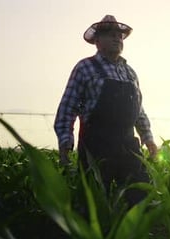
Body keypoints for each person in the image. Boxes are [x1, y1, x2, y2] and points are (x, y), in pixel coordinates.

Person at [54, 15, 158, 207]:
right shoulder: (85, 67)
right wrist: (65, 143)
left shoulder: (129, 72)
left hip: (128, 145)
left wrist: (148, 137)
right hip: (96, 146)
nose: (117, 38)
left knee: (139, 197)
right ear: (97, 41)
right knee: (93, 203)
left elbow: (139, 110)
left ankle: (136, 236)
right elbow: (68, 108)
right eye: (111, 35)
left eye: (119, 36)